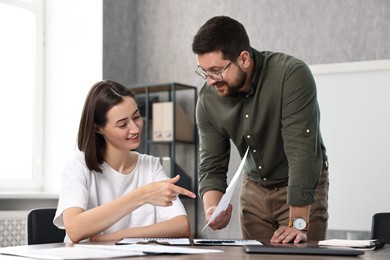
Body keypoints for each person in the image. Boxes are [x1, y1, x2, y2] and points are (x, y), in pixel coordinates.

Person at [192, 16, 329, 244]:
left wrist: (298, 223)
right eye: (204, 72)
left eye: (216, 71)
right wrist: (214, 208)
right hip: (254, 188)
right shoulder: (207, 101)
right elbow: (211, 164)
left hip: (299, 186)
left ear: (244, 58)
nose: (210, 81)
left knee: (300, 255)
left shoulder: (290, 76)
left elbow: (301, 151)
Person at [53, 80, 196, 243]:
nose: (135, 129)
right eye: (122, 124)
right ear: (98, 128)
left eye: (136, 116)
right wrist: (142, 195)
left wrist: (118, 236)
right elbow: (75, 229)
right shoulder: (78, 166)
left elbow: (181, 226)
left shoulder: (151, 165)